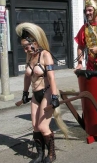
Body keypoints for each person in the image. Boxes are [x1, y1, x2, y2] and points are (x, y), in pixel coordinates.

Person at [15, 22, 69, 163]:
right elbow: (28, 76)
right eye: (23, 47)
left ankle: (51, 155)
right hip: (35, 95)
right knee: (35, 126)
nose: (25, 50)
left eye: (27, 46)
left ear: (35, 42)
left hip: (46, 93)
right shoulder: (30, 56)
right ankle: (39, 155)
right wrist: (25, 93)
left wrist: (55, 96)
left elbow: (51, 77)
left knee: (43, 127)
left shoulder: (45, 55)